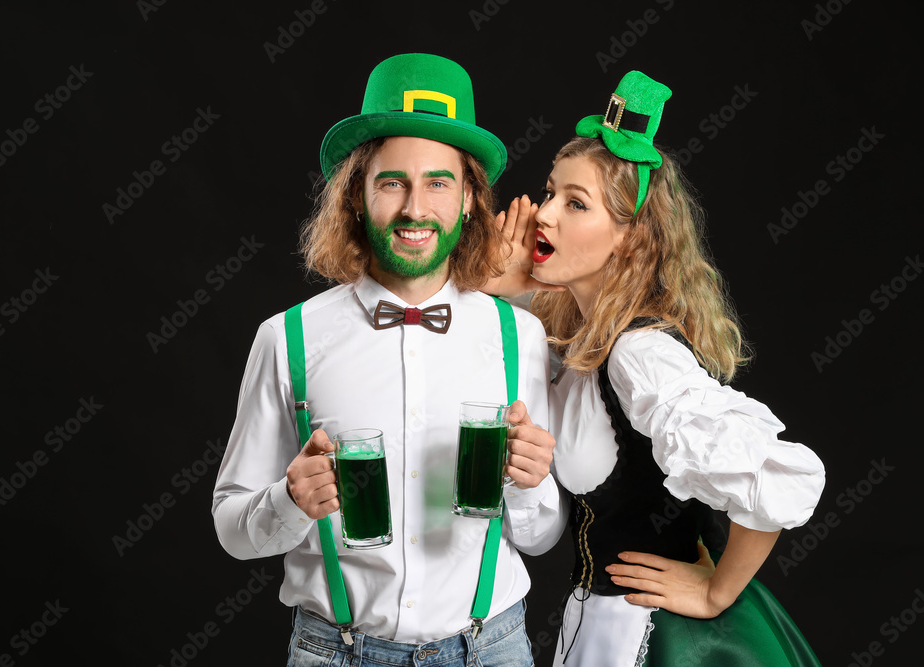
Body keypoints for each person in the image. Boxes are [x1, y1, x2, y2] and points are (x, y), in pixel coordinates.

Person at [211, 53, 565, 666]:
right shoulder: (286, 338)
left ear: (469, 202)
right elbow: (230, 527)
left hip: (492, 649)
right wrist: (288, 503)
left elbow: (540, 537)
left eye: (438, 183)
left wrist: (531, 486)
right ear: (355, 196)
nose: (414, 209)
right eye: (392, 182)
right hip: (335, 652)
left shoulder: (521, 337)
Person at [491, 71, 826, 665]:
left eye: (575, 204)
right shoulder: (578, 334)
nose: (543, 216)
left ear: (630, 238)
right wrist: (500, 283)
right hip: (597, 624)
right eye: (549, 194)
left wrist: (718, 589)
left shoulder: (638, 354)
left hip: (655, 636)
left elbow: (774, 476)